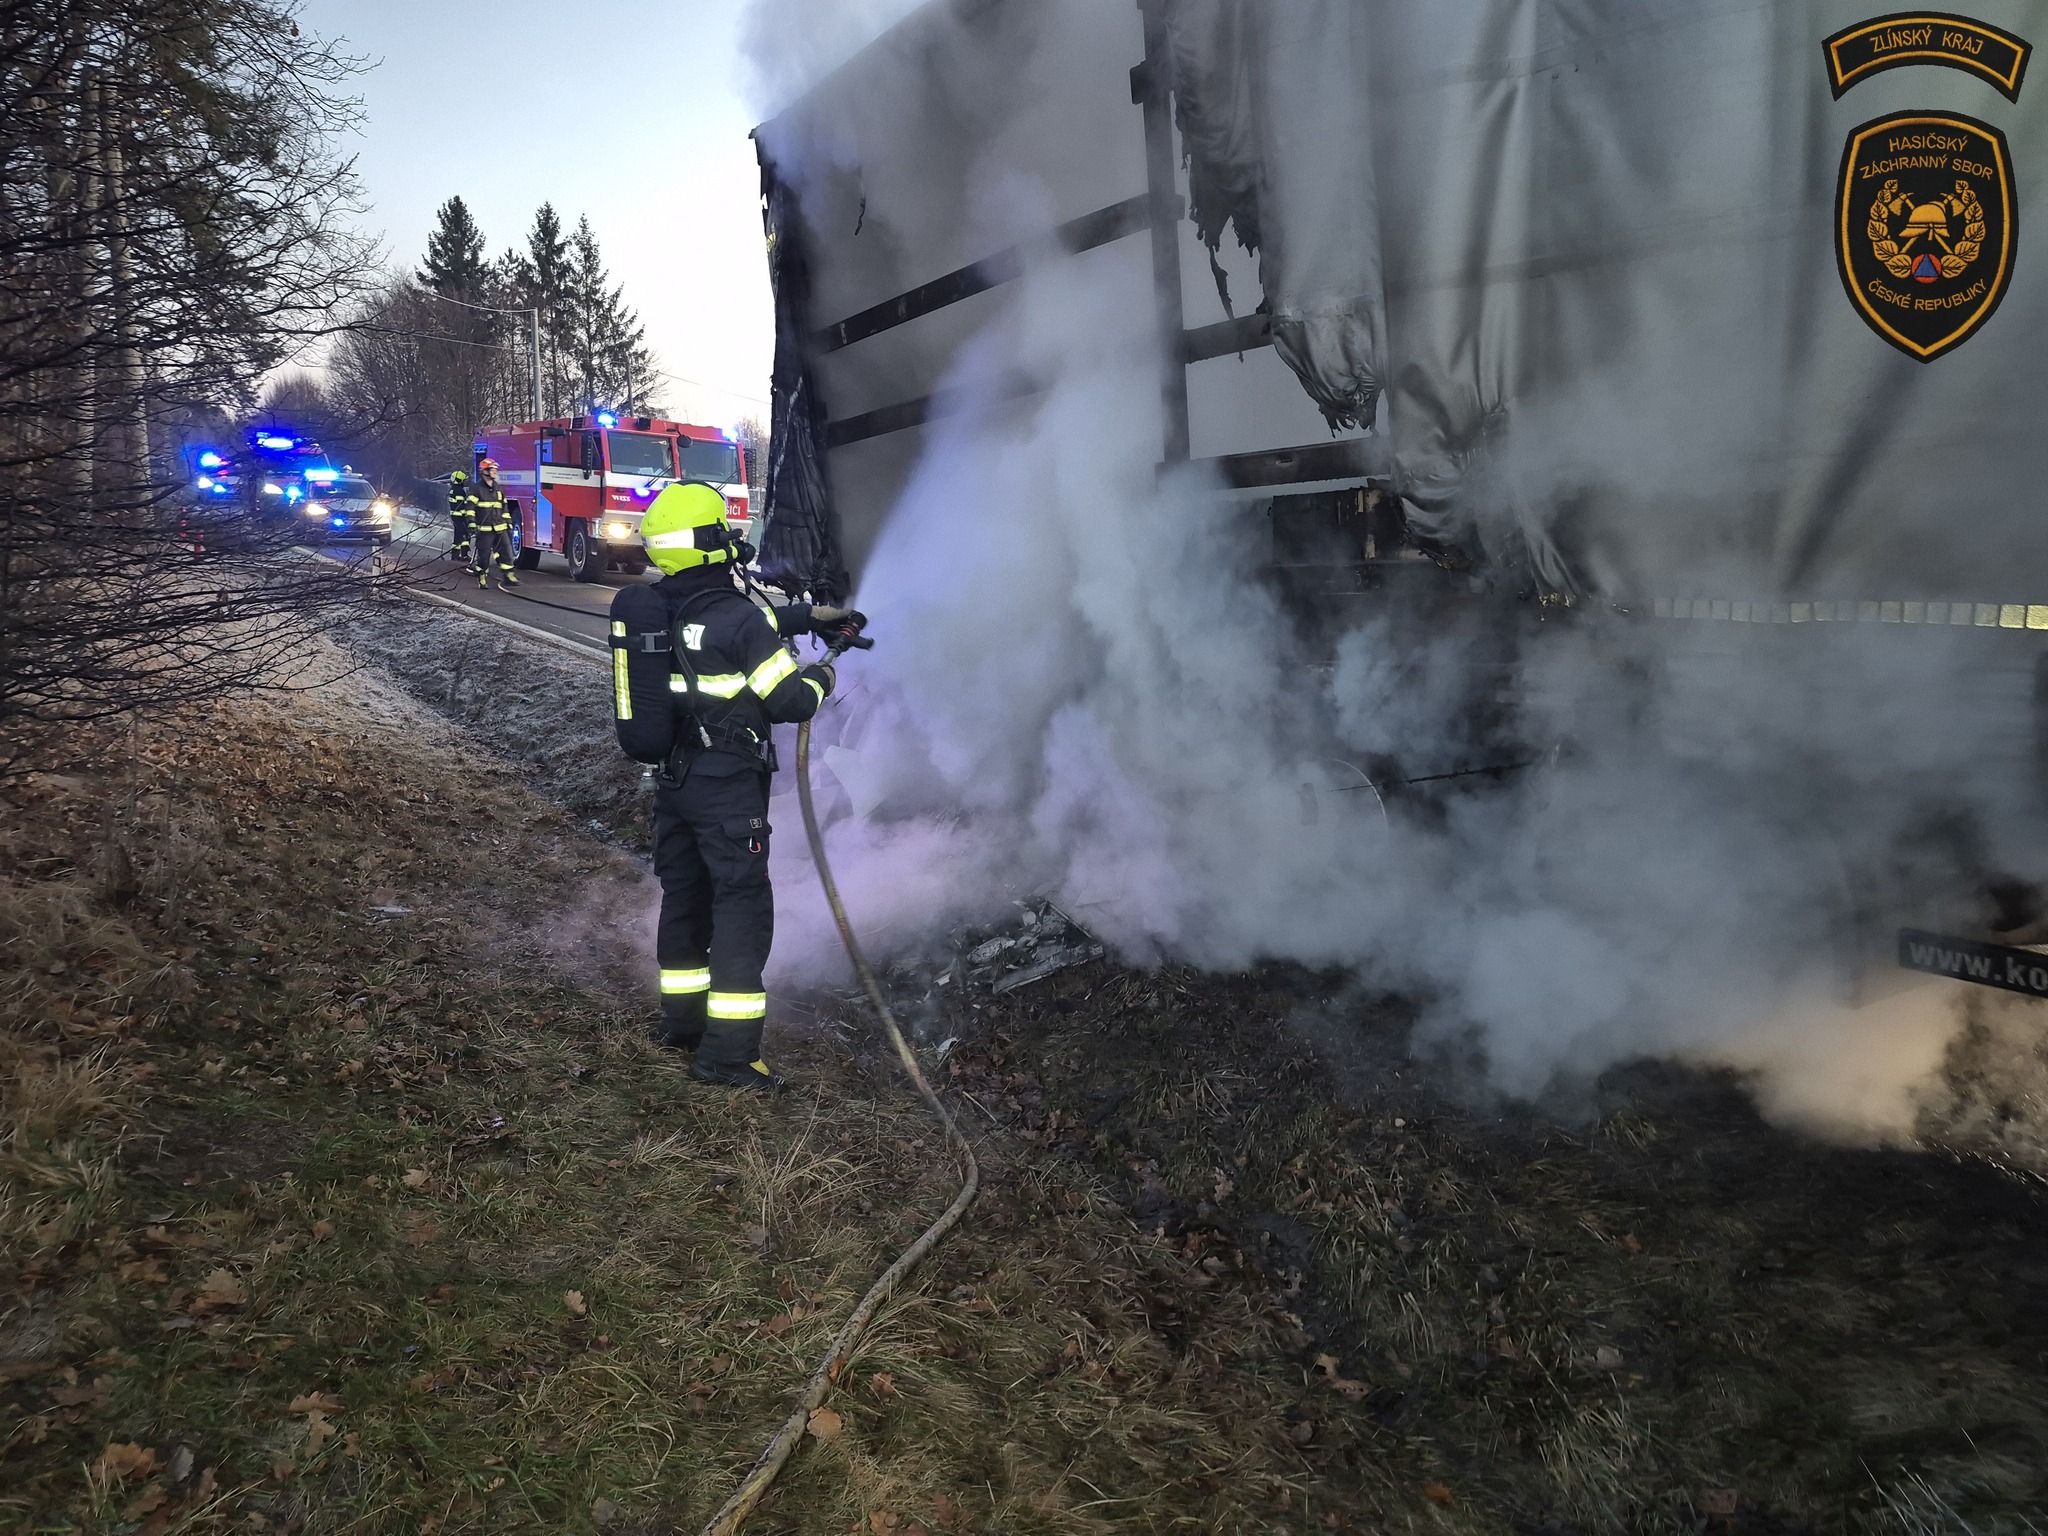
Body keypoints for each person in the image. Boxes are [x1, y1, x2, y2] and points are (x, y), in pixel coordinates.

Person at [631, 481, 858, 1091]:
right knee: (741, 908)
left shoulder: (653, 608)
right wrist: (825, 672)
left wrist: (804, 617)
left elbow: (723, 626)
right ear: (710, 542)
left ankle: (682, 1025)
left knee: (685, 896)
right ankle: (728, 1056)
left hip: (674, 782)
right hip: (727, 788)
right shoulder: (736, 619)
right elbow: (790, 701)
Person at [469, 459, 518, 588]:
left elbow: (504, 507)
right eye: (492, 469)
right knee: (484, 555)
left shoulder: (497, 488)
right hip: (485, 529)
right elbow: (470, 508)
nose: (495, 472)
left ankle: (508, 576)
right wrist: (471, 523)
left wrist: (508, 521)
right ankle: (482, 576)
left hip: (500, 527)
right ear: (485, 471)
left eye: (496, 470)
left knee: (507, 553)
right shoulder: (476, 489)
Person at [447, 468, 474, 562]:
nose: (464, 482)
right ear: (459, 480)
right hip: (460, 516)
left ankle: (455, 554)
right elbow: (461, 505)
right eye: (463, 480)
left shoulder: (453, 489)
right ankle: (464, 555)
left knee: (458, 534)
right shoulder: (459, 491)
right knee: (465, 534)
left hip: (455, 516)